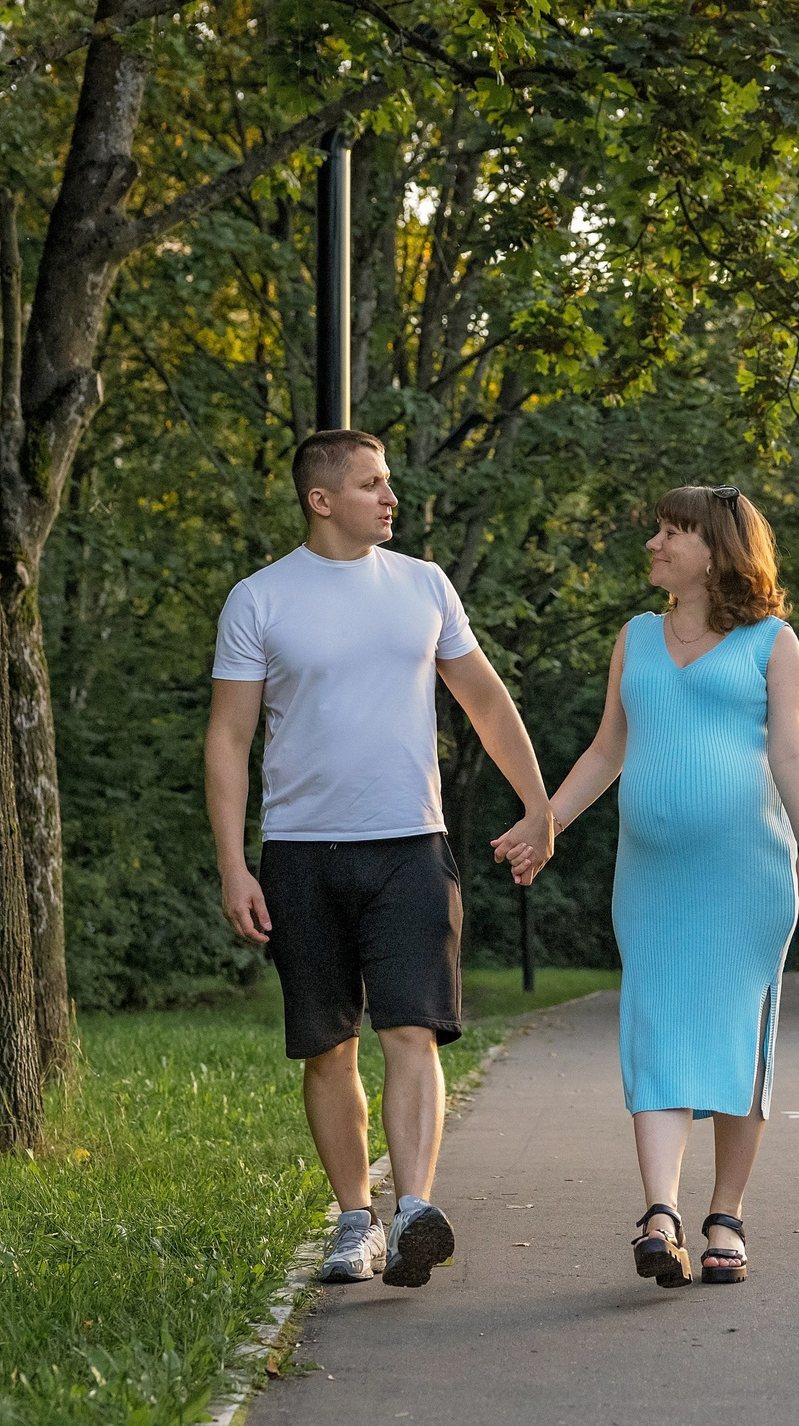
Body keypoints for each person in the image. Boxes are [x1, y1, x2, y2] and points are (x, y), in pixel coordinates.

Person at [206, 429, 555, 1286]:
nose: (390, 497)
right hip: (300, 853)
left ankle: (412, 1215)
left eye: (387, 482)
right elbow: (228, 736)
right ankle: (354, 1219)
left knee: (412, 1032)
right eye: (371, 485)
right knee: (329, 1047)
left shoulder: (424, 586)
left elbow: (483, 699)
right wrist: (232, 864)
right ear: (321, 500)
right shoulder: (260, 599)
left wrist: (539, 805)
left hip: (410, 844)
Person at [505, 485, 799, 1287]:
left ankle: (726, 1215)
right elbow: (608, 751)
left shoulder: (771, 643)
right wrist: (546, 823)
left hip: (748, 874)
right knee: (653, 1024)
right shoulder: (636, 638)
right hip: (650, 877)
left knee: (735, 1036)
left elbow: (790, 753)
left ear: (716, 551)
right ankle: (660, 1215)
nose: (653, 542)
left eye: (671, 531)